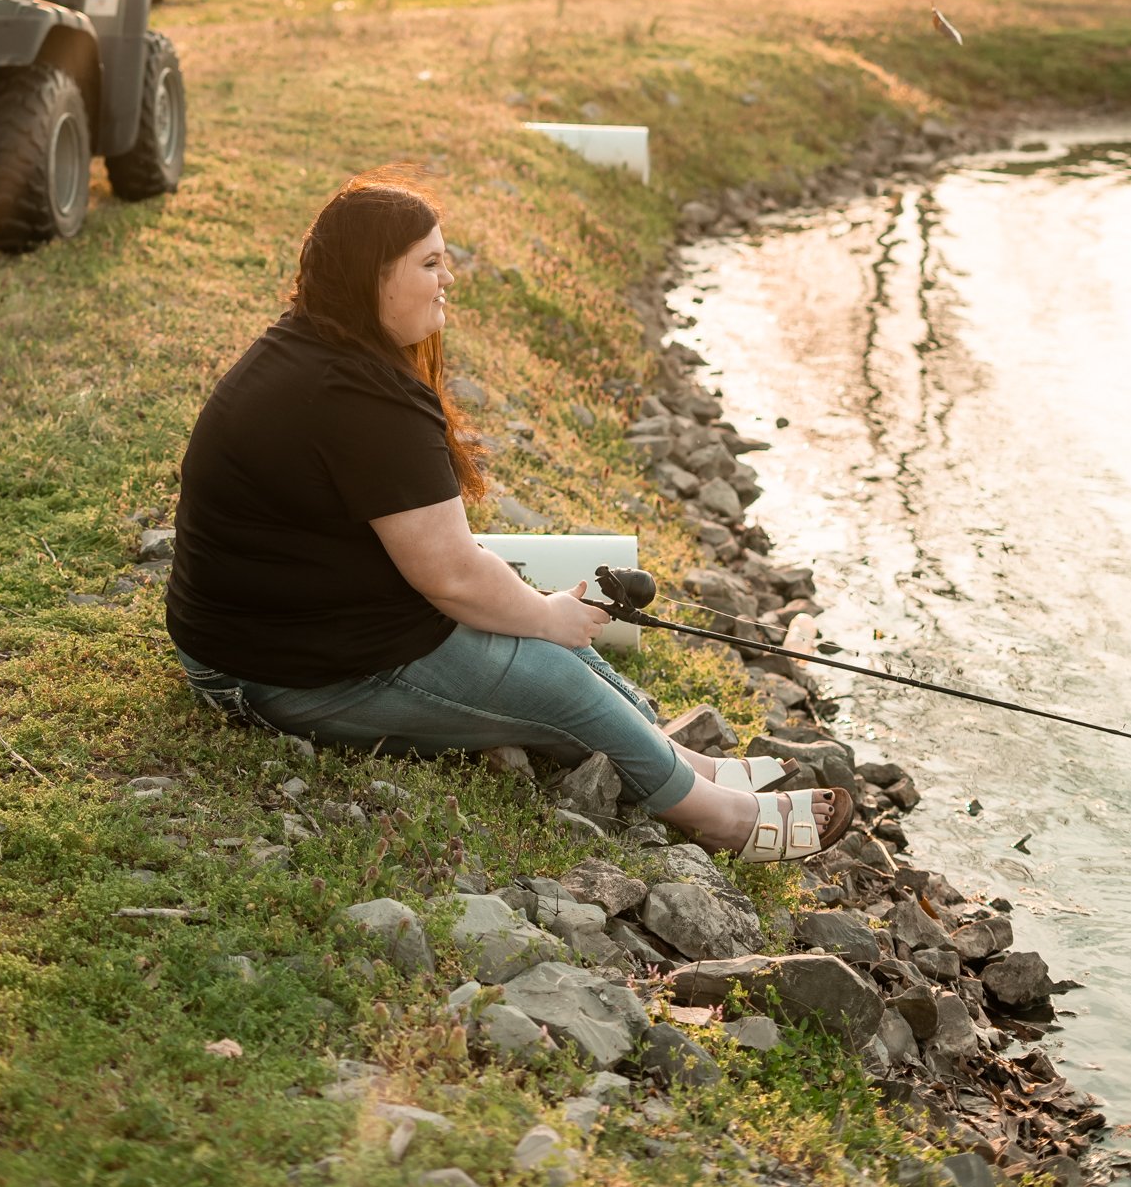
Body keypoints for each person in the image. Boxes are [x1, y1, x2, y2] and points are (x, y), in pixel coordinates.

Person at [166, 173, 853, 863]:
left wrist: (541, 614)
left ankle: (682, 763)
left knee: (539, 627)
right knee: (551, 668)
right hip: (271, 674)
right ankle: (719, 818)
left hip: (289, 636)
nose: (448, 279)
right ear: (371, 276)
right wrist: (544, 616)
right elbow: (452, 577)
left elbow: (442, 564)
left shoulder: (318, 348)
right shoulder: (357, 396)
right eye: (429, 263)